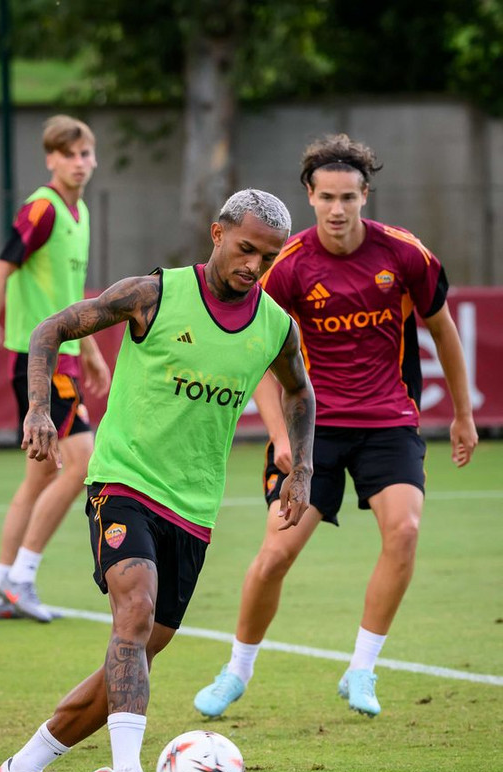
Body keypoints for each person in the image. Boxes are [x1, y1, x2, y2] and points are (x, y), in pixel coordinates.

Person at [0, 188, 315, 772]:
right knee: (134, 612)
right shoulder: (153, 295)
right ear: (217, 233)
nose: (254, 265)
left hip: (193, 508)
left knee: (134, 651)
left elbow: (299, 393)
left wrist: (300, 468)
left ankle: (22, 770)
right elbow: (49, 330)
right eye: (245, 248)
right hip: (123, 482)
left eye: (268, 257)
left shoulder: (276, 327)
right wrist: (38, 410)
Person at [194, 134, 479, 720]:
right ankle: (236, 670)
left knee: (405, 531)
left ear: (365, 195)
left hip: (389, 422)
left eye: (348, 196)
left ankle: (362, 669)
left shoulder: (405, 254)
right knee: (276, 554)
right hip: (312, 431)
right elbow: (261, 361)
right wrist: (280, 437)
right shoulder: (288, 265)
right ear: (310, 195)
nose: (338, 208)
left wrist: (463, 415)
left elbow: (444, 330)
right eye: (326, 197)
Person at [0, 115, 110, 624]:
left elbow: (70, 296)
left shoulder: (80, 212)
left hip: (64, 358)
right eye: (68, 154)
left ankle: (1, 587)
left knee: (40, 477)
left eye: (85, 153)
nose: (79, 162)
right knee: (82, 463)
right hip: (40, 361)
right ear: (51, 159)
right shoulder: (42, 208)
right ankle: (20, 580)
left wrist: (90, 351)